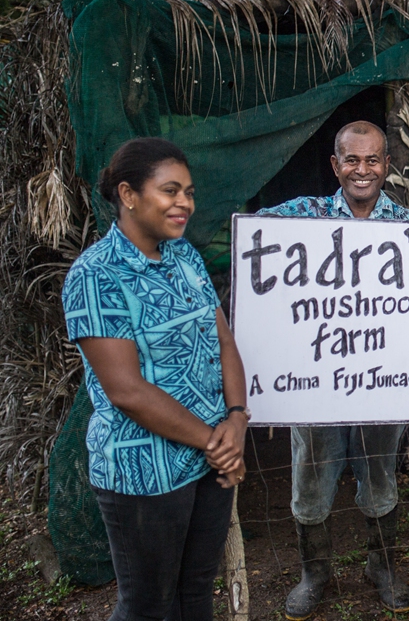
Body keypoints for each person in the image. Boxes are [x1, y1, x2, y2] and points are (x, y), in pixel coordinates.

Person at [62, 137, 248, 621]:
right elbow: (126, 390)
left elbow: (223, 341)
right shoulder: (96, 275)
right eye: (170, 190)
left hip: (209, 463)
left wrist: (236, 417)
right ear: (128, 194)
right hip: (143, 472)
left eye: (188, 191)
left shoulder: (184, 256)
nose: (184, 202)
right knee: (147, 606)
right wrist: (216, 441)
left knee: (195, 595)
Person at [257, 120, 409, 620]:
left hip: (381, 381)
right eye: (352, 159)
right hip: (319, 383)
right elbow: (255, 235)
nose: (362, 169)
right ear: (335, 165)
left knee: (380, 473)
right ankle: (316, 573)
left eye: (373, 159)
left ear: (387, 166)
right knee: (311, 476)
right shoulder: (302, 216)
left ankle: (381, 566)